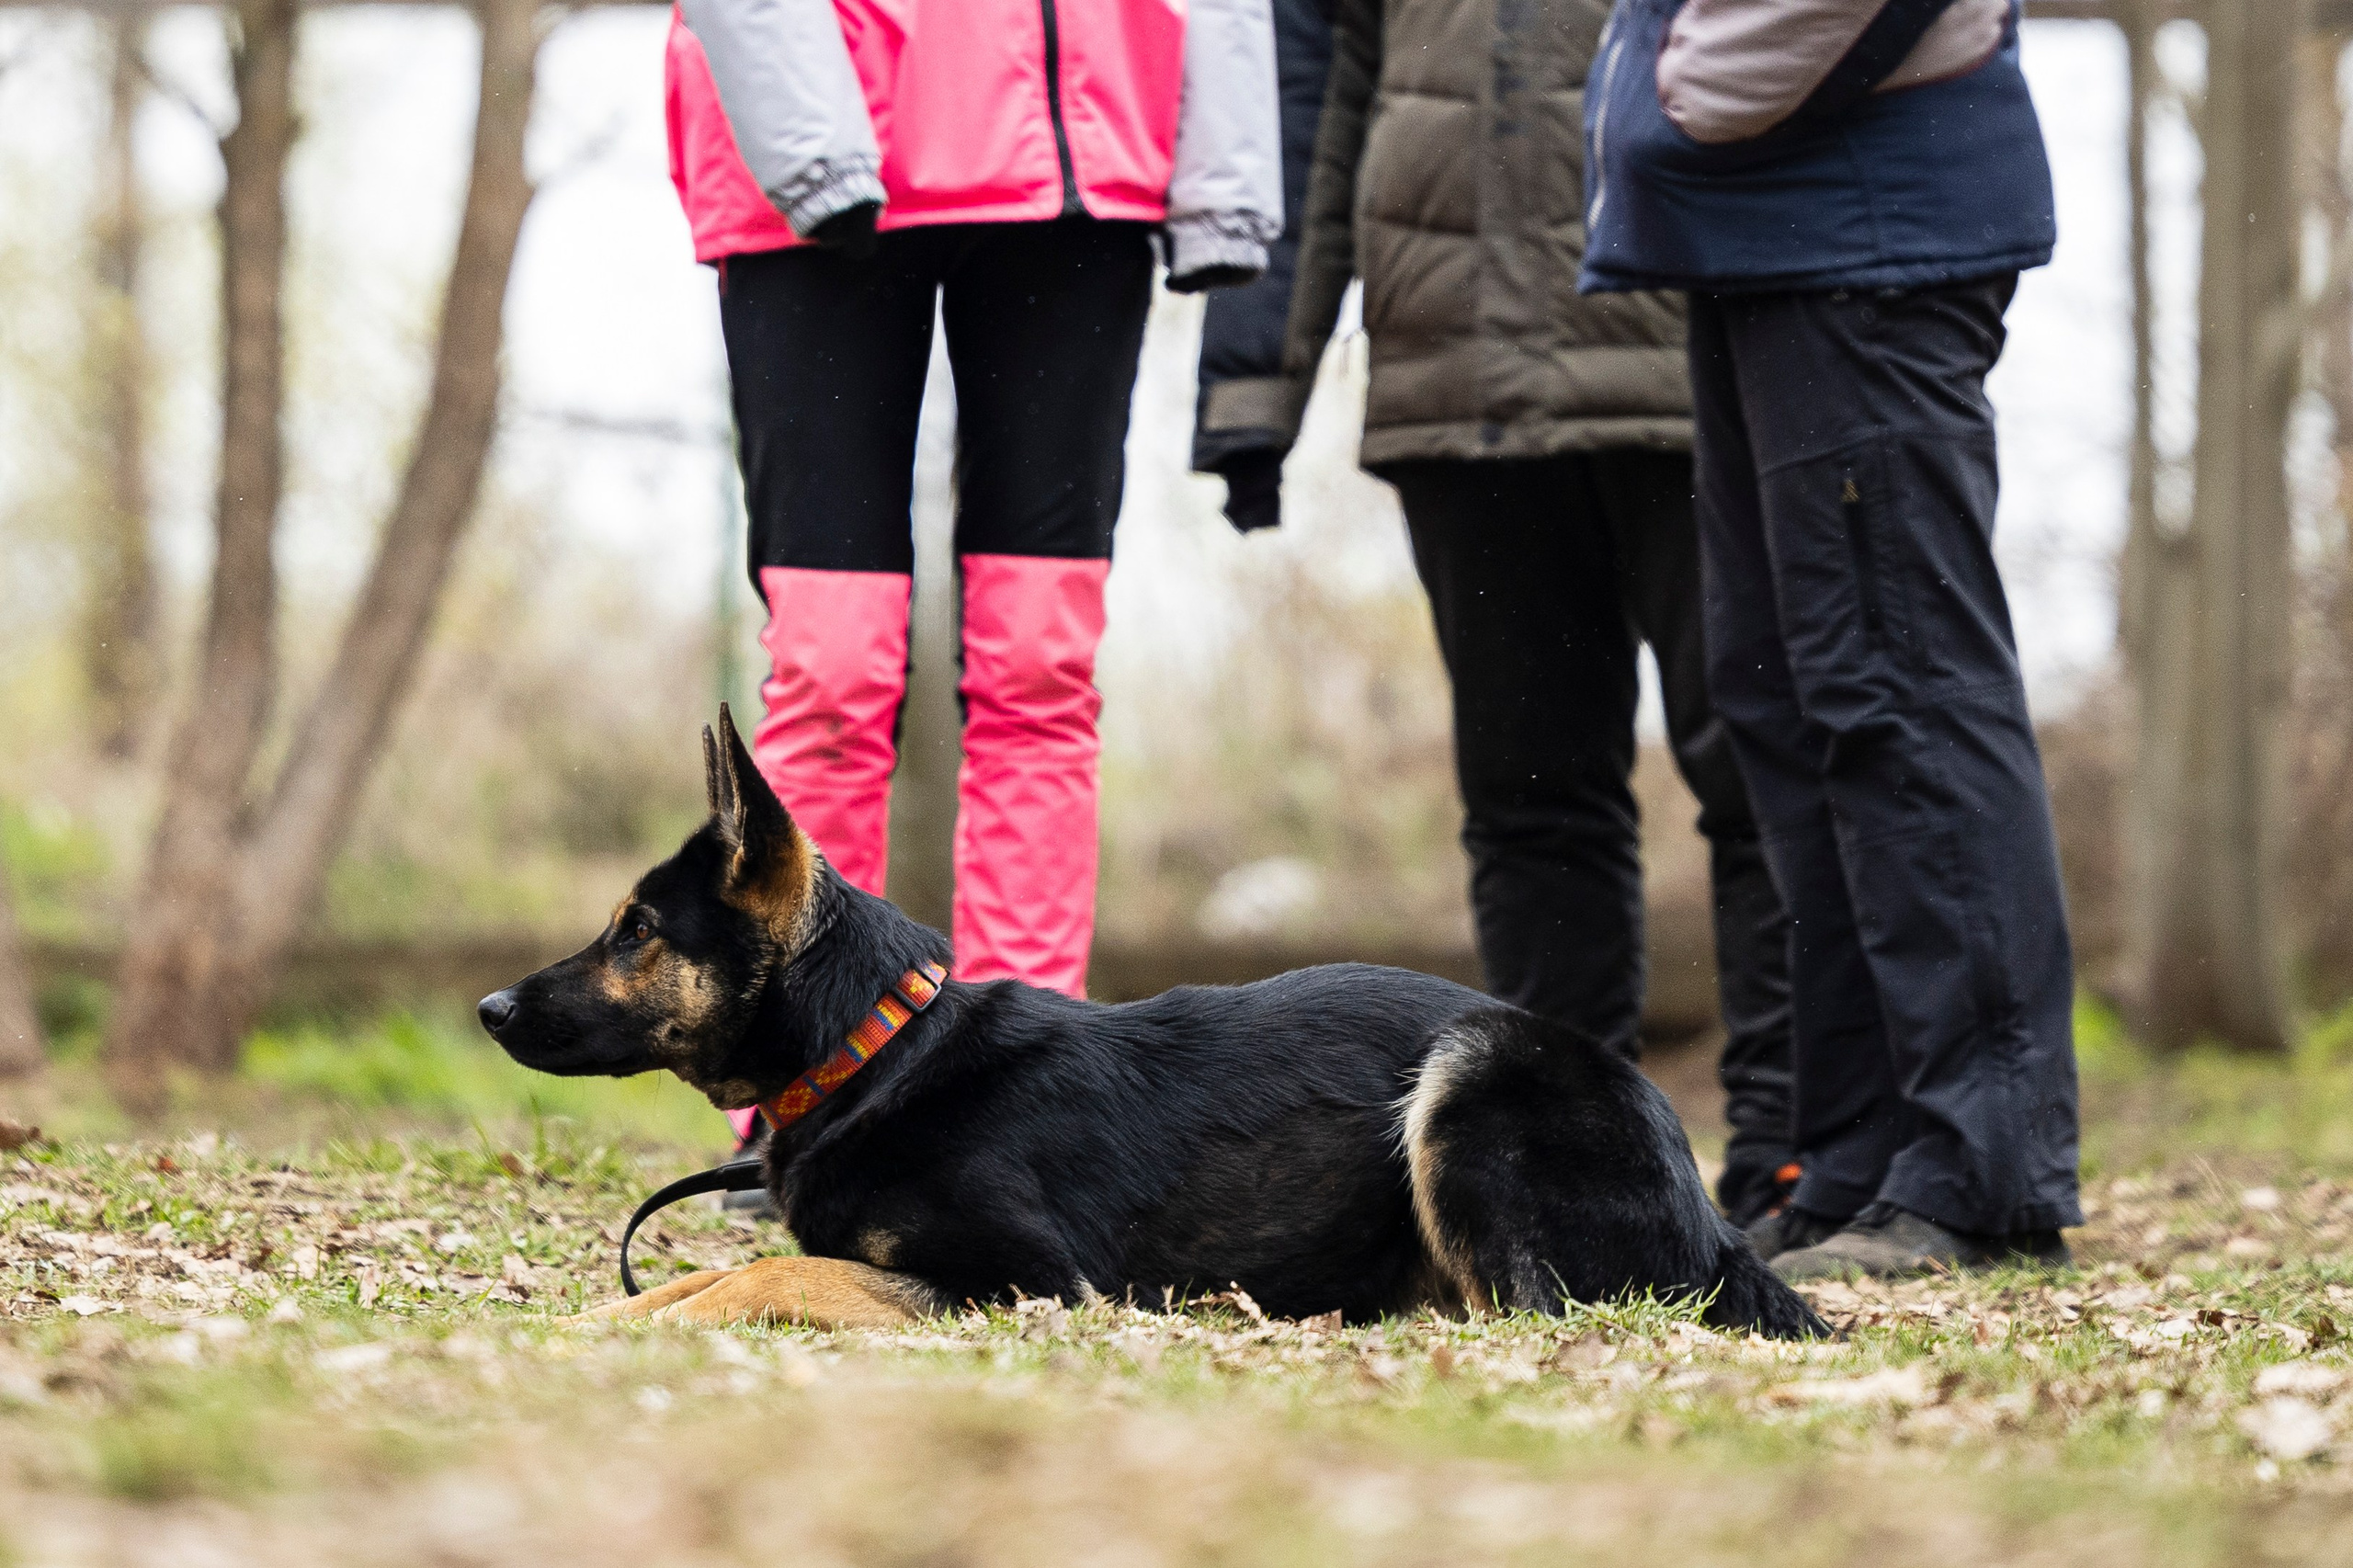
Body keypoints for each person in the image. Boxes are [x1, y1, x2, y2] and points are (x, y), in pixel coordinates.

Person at [1211, 0, 1800, 1228]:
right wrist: (1256, 374)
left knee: (1761, 771)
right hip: (1455, 378)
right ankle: (1565, 1168)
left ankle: (1790, 1155)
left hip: (1685, 359)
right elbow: (1311, 101)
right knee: (1530, 797)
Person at [667, 0, 1282, 1151]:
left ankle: (1023, 1099)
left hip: (1087, 151)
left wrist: (1227, 175)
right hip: (819, 134)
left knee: (1042, 656)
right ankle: (798, 1092)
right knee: (832, 663)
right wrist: (805, 140)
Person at [1581, 0, 2083, 1278]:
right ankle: (1854, 1162)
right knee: (1793, 710)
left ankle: (1982, 1177)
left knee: (1902, 695)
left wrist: (1675, 97)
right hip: (1763, 231)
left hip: (1863, 224)